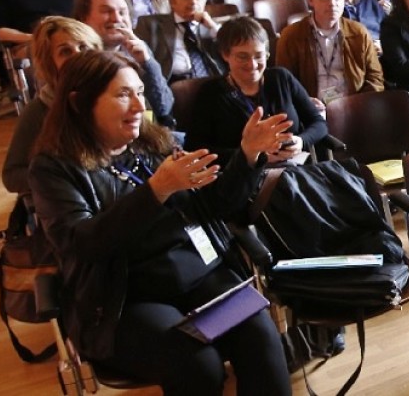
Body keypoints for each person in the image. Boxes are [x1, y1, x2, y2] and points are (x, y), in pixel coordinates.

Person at [28, 49, 292, 395]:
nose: (139, 106)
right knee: (197, 362)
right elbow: (82, 243)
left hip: (198, 276)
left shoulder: (151, 145)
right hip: (124, 297)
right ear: (79, 103)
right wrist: (157, 189)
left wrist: (246, 156)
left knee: (261, 337)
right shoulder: (54, 168)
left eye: (139, 92)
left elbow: (214, 206)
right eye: (123, 95)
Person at [185, 17, 328, 165]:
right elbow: (195, 149)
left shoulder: (281, 78)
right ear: (225, 55)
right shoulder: (211, 93)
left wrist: (301, 141)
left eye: (258, 56)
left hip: (294, 168)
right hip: (244, 179)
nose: (252, 65)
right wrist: (252, 155)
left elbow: (318, 123)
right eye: (242, 57)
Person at [2, 17, 102, 197]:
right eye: (65, 51)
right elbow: (11, 176)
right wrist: (62, 177)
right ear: (50, 63)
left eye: (84, 47)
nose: (78, 56)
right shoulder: (38, 110)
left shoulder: (124, 90)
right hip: (73, 197)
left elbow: (147, 132)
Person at [276, 0, 385, 108]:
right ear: (310, 0)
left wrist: (358, 104)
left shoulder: (358, 32)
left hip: (354, 106)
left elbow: (375, 78)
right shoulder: (291, 36)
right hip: (311, 110)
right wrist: (305, 103)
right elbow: (284, 83)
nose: (332, 3)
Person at [74, 0, 175, 125]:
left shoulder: (139, 49)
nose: (116, 18)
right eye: (106, 11)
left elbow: (163, 107)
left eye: (122, 12)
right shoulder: (77, 57)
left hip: (148, 131)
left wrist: (147, 62)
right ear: (84, 19)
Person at [133, 0, 224, 83]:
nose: (193, 2)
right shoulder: (149, 24)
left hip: (212, 81)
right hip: (173, 84)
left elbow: (231, 49)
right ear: (172, 2)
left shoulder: (211, 27)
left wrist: (213, 26)